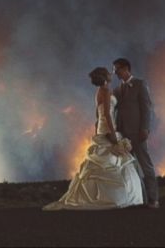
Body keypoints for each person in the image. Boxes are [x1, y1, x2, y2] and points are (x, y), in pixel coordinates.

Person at [42, 67, 143, 210]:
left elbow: (98, 116)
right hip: (108, 127)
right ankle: (116, 198)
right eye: (108, 73)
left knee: (105, 161)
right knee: (113, 161)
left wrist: (98, 131)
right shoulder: (106, 91)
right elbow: (107, 115)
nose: (111, 74)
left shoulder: (99, 92)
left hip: (102, 127)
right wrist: (113, 135)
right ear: (104, 76)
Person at [112, 58, 159, 209]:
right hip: (123, 134)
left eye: (117, 69)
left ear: (126, 68)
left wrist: (145, 128)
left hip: (138, 133)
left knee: (146, 165)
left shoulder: (140, 84)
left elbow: (147, 108)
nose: (115, 73)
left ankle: (153, 199)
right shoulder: (118, 89)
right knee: (131, 168)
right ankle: (140, 198)